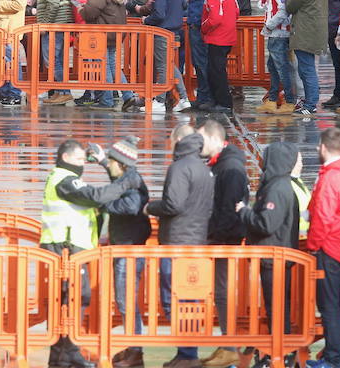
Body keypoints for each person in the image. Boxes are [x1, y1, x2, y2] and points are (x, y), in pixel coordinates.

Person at [40, 139, 139, 368]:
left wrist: (103, 161)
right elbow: (94, 196)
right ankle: (68, 351)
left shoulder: (66, 177)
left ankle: (63, 355)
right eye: (78, 159)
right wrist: (124, 184)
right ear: (65, 158)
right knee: (72, 300)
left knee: (70, 301)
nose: (82, 164)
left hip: (70, 247)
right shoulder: (64, 180)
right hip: (64, 247)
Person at [144, 125, 214, 368]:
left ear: (178, 139)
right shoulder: (203, 169)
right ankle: (188, 351)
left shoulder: (180, 167)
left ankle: (187, 352)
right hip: (196, 239)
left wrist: (151, 207)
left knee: (172, 296)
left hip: (177, 242)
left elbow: (173, 205)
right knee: (189, 298)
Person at [236, 141, 300, 366]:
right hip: (277, 255)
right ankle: (279, 352)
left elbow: (266, 223)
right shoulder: (279, 185)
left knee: (277, 307)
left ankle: (279, 353)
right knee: (277, 306)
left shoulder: (277, 188)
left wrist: (244, 212)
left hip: (275, 257)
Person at [305, 128, 340, 368]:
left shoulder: (330, 176)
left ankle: (333, 357)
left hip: (328, 247)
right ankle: (335, 353)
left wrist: (313, 246)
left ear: (323, 147)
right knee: (335, 304)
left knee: (328, 305)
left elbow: (323, 217)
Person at [197, 118, 248, 368]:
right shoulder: (222, 164)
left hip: (225, 239)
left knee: (223, 291)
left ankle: (230, 345)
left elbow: (228, 210)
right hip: (220, 236)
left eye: (202, 139)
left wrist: (213, 235)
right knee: (220, 291)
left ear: (216, 139)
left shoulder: (230, 168)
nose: (198, 144)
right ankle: (227, 344)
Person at [98, 136, 151, 368]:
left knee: (125, 299)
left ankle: (135, 350)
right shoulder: (127, 176)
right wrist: (102, 161)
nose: (109, 163)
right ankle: (133, 347)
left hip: (129, 248)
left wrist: (103, 204)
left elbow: (130, 206)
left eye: (110, 160)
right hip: (124, 243)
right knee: (124, 299)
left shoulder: (132, 180)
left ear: (120, 163)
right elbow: (117, 185)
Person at [78, 0, 138, 111]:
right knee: (112, 64)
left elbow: (91, 12)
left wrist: (81, 10)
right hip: (114, 32)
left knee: (102, 65)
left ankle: (107, 100)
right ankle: (127, 95)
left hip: (103, 34)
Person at [143, 0, 191, 113]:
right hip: (175, 30)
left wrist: (146, 20)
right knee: (170, 64)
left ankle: (160, 100)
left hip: (162, 32)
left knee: (163, 66)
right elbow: (184, 4)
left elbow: (159, 14)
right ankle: (184, 98)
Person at [285, 0, 328, 115]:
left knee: (307, 69)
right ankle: (311, 100)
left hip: (304, 33)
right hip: (314, 32)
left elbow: (290, 7)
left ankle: (311, 104)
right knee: (307, 68)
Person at [257, 0, 295, 114]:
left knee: (281, 67)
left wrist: (269, 25)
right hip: (276, 31)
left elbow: (283, 9)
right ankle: (272, 99)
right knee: (273, 66)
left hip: (279, 32)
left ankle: (289, 100)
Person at [35, 0, 73, 105]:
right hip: (62, 25)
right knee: (58, 60)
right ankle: (59, 91)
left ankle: (65, 91)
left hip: (55, 27)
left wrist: (45, 23)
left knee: (51, 60)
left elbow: (54, 3)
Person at [201, 0, 238, 113]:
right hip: (227, 36)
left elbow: (214, 19)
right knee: (217, 70)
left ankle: (223, 102)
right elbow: (236, 11)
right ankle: (218, 101)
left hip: (217, 38)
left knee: (216, 71)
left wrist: (203, 27)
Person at [186, 0, 212, 109]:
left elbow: (204, 3)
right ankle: (202, 96)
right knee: (198, 62)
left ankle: (205, 96)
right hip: (194, 23)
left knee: (202, 62)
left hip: (199, 26)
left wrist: (200, 24)